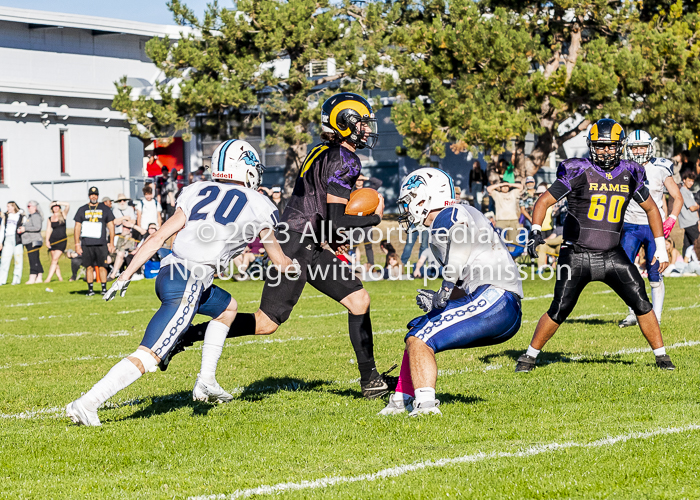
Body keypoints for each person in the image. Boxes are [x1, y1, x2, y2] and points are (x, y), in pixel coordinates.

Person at [161, 93, 396, 399]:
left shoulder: (322, 151)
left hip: (303, 241)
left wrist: (326, 235)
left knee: (358, 300)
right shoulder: (346, 158)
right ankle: (186, 334)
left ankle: (371, 382)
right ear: (346, 122)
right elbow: (337, 221)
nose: (367, 130)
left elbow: (315, 208)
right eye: (362, 123)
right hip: (297, 246)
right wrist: (374, 220)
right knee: (265, 323)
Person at [66, 140, 296, 427]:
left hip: (170, 272)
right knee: (150, 355)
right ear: (246, 168)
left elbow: (157, 238)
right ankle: (87, 403)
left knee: (227, 308)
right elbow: (279, 261)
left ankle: (207, 381)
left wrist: (126, 274)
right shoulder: (260, 203)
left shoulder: (197, 189)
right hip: (191, 280)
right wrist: (298, 263)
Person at [517, 119, 674, 373]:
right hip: (576, 254)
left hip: (613, 254)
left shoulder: (629, 172)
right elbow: (544, 201)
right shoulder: (578, 170)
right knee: (560, 307)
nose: (606, 151)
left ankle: (662, 356)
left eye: (611, 146)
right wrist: (535, 231)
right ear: (591, 146)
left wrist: (661, 246)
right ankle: (529, 356)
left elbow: (652, 209)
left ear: (620, 147)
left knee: (642, 301)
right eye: (600, 146)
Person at [381, 168, 522, 416]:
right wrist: (439, 298)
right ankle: (401, 398)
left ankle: (425, 406)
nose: (406, 209)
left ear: (425, 199)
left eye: (409, 200)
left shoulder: (450, 214)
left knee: (421, 337)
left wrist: (444, 291)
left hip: (496, 298)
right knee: (418, 328)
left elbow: (458, 249)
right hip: (494, 301)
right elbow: (463, 283)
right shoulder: (454, 218)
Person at [617, 130, 684, 328]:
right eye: (634, 147)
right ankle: (632, 312)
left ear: (650, 147)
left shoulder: (660, 167)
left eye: (642, 147)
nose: (638, 151)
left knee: (656, 272)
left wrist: (671, 219)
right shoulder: (622, 168)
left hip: (654, 227)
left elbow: (677, 197)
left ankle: (657, 316)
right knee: (625, 270)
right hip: (630, 225)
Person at [74, 186, 116, 296]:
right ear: (89, 196)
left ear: (98, 196)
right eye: (92, 194)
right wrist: (77, 243)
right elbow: (77, 227)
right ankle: (90, 290)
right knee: (88, 266)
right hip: (87, 243)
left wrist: (111, 242)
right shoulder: (82, 209)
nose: (94, 196)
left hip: (101, 243)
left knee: (103, 266)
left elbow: (111, 226)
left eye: (95, 195)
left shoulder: (104, 209)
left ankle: (103, 289)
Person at [108, 194, 142, 280]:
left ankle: (114, 273)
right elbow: (114, 222)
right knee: (115, 254)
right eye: (120, 201)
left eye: (124, 200)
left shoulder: (130, 209)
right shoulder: (115, 210)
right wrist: (124, 218)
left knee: (121, 253)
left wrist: (123, 221)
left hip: (128, 236)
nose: (122, 202)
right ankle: (115, 272)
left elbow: (133, 221)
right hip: (117, 235)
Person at [44, 201, 70, 283]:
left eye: (57, 206)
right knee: (54, 260)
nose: (56, 208)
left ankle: (48, 278)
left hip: (61, 240)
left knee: (55, 259)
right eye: (54, 206)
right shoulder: (50, 218)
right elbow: (48, 230)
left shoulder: (63, 214)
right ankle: (60, 277)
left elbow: (68, 205)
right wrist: (47, 240)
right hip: (53, 240)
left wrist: (58, 202)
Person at [19, 200, 44, 284]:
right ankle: (39, 276)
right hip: (28, 241)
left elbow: (37, 227)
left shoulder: (36, 216)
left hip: (34, 240)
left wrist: (25, 229)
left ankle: (33, 277)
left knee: (33, 259)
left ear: (35, 207)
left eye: (29, 206)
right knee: (35, 259)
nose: (28, 208)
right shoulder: (30, 216)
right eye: (27, 206)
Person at [0, 202, 24, 285]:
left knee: (18, 260)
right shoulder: (6, 217)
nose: (8, 208)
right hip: (8, 239)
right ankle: (2, 280)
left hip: (17, 240)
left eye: (9, 206)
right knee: (4, 260)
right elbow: (2, 230)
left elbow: (24, 224)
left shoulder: (20, 216)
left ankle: (16, 280)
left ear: (14, 207)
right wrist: (0, 242)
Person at [678, 171, 700, 255]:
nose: (691, 183)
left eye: (692, 181)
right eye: (689, 180)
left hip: (691, 221)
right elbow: (692, 207)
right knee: (697, 242)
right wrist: (698, 206)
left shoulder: (689, 192)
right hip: (689, 222)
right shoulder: (683, 192)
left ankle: (685, 262)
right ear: (684, 180)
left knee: (687, 245)